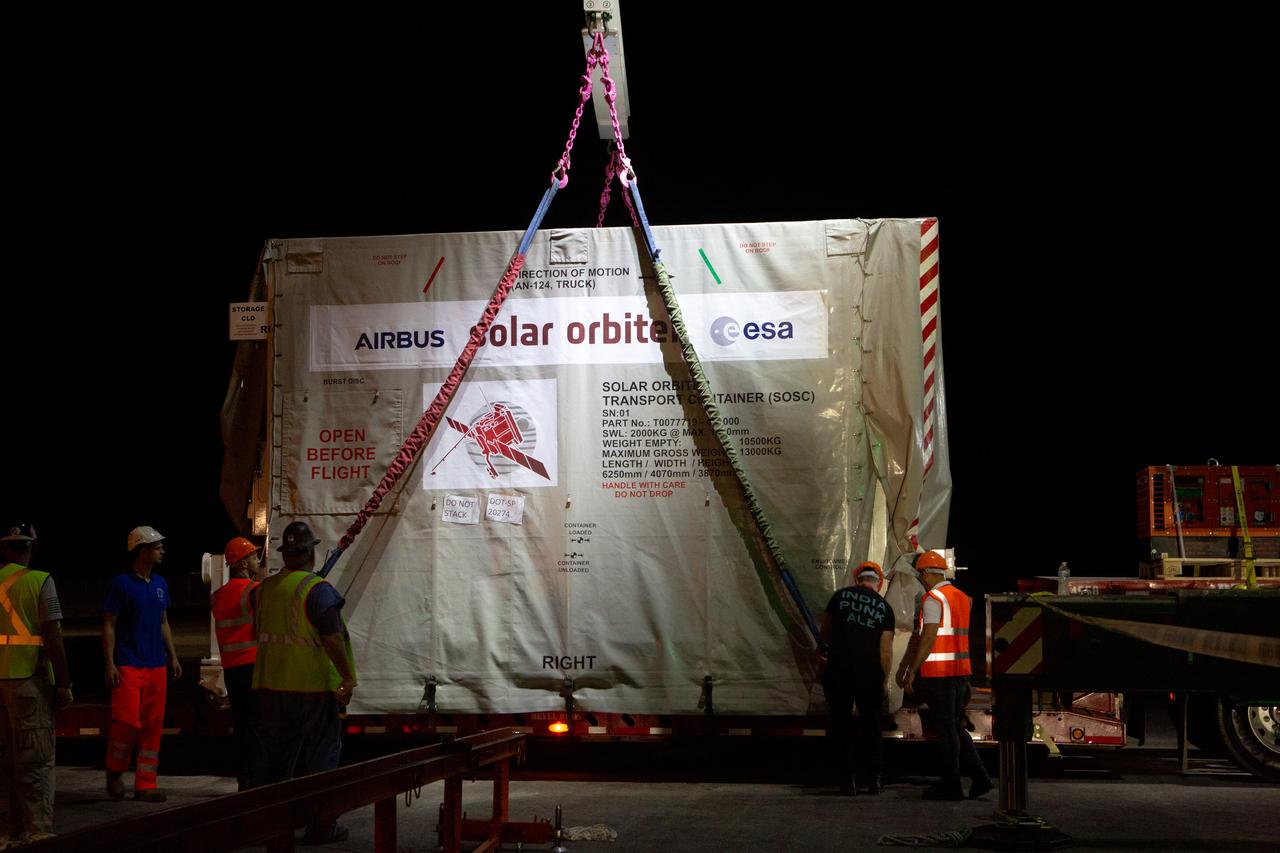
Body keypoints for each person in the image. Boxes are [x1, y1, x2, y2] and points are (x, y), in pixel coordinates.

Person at [251, 521, 356, 845]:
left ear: (286, 554)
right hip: (311, 688)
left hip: (270, 686)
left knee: (275, 762)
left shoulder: (265, 589)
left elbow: (259, 633)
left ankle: (273, 825)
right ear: (310, 552)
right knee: (322, 759)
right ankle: (321, 826)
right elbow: (332, 638)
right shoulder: (317, 590)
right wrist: (347, 677)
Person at [895, 550, 993, 800]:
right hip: (960, 673)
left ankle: (951, 784)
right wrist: (968, 679)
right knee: (954, 727)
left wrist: (911, 670)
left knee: (947, 730)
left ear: (928, 573)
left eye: (920, 574)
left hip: (940, 675)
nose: (920, 579)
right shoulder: (962, 597)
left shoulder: (933, 599)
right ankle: (980, 777)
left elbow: (928, 638)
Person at [0, 523, 73, 845]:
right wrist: (64, 683)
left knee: (7, 758)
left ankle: (9, 830)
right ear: (32, 546)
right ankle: (38, 830)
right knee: (36, 758)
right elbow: (53, 636)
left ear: (5, 548)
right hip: (29, 679)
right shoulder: (40, 581)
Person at [103, 525, 182, 803]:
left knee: (153, 725)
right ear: (142, 550)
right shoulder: (121, 584)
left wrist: (172, 656)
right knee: (126, 722)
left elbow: (163, 622)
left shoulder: (160, 584)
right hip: (128, 664)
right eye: (157, 547)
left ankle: (145, 783)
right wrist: (110, 663)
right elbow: (109, 625)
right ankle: (115, 770)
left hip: (156, 665)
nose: (162, 551)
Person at [818, 560, 894, 795]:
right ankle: (875, 780)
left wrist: (824, 651)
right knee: (871, 726)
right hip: (869, 674)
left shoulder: (839, 597)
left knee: (841, 725)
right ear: (877, 583)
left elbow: (825, 630)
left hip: (839, 670)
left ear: (858, 580)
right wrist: (884, 680)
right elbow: (885, 650)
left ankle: (847, 781)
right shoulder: (884, 607)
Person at [211, 536, 264, 790]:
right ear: (242, 563)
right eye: (254, 556)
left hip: (231, 668)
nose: (258, 561)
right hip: (253, 666)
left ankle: (244, 779)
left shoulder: (217, 596)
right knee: (257, 725)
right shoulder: (254, 592)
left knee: (241, 725)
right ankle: (256, 780)